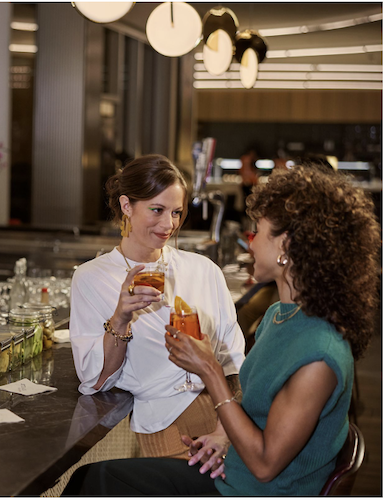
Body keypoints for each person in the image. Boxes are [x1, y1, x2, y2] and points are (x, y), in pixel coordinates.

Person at [65, 163, 380, 495]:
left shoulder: (318, 353)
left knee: (95, 483)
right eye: (157, 210)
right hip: (234, 465)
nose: (250, 244)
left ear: (285, 247)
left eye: (256, 232)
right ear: (127, 207)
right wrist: (224, 434)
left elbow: (264, 464)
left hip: (253, 488)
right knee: (94, 480)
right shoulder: (280, 317)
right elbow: (252, 400)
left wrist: (209, 371)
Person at [69, 154, 246, 459]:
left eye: (176, 212)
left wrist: (227, 429)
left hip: (230, 417)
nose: (169, 225)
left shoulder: (204, 270)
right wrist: (121, 317)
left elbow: (235, 360)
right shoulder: (92, 278)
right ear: (127, 206)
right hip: (166, 423)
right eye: (157, 210)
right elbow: (95, 378)